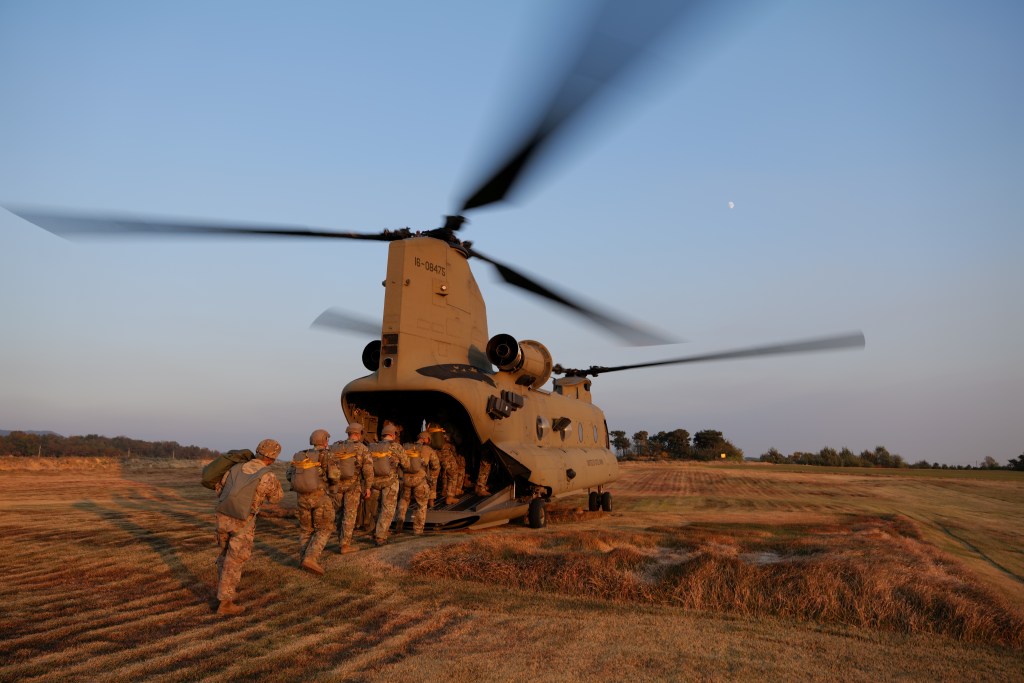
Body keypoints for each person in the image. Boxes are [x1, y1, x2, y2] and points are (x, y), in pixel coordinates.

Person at [213, 438, 284, 616]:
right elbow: (276, 498)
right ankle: (225, 603)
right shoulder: (268, 475)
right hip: (243, 522)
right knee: (235, 560)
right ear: (273, 457)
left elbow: (219, 489)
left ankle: (225, 591)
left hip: (222, 517)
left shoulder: (234, 467)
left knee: (223, 555)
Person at [286, 428, 333, 576]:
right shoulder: (326, 455)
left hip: (302, 499)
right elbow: (334, 475)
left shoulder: (300, 455)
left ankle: (303, 559)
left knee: (305, 530)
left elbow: (289, 475)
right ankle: (311, 558)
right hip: (320, 498)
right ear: (325, 441)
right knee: (324, 528)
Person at [327, 422, 373, 554]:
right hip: (353, 487)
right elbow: (368, 470)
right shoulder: (362, 449)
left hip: (335, 487)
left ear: (348, 433)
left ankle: (340, 540)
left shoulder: (335, 446)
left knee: (339, 514)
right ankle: (345, 545)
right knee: (350, 515)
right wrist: (368, 487)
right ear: (359, 434)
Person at [367, 423, 409, 545]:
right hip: (390, 482)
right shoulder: (397, 447)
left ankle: (374, 531)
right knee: (387, 509)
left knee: (375, 509)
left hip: (374, 483)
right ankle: (380, 537)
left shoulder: (372, 446)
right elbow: (406, 465)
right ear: (392, 435)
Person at [394, 430, 440, 535]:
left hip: (405, 480)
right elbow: (436, 466)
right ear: (426, 439)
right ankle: (418, 530)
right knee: (422, 505)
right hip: (420, 481)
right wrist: (432, 481)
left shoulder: (406, 447)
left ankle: (399, 525)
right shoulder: (428, 449)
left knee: (403, 501)